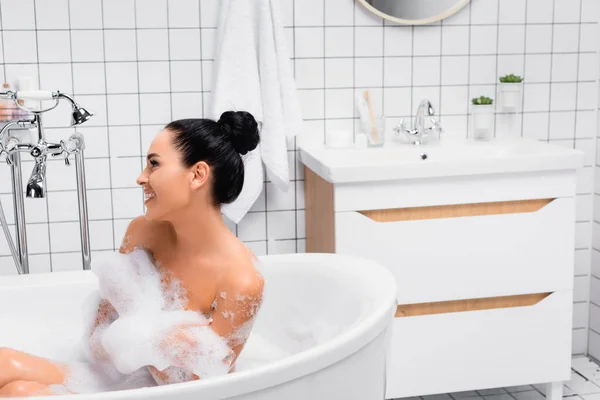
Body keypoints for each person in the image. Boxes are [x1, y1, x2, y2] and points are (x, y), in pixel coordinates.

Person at [0, 111, 265, 397]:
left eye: (154, 164)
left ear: (198, 175)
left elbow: (199, 384)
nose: (141, 178)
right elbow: (97, 339)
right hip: (124, 378)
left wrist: (149, 336)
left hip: (174, 394)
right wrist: (150, 333)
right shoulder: (143, 232)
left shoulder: (241, 280)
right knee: (4, 365)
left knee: (22, 393)